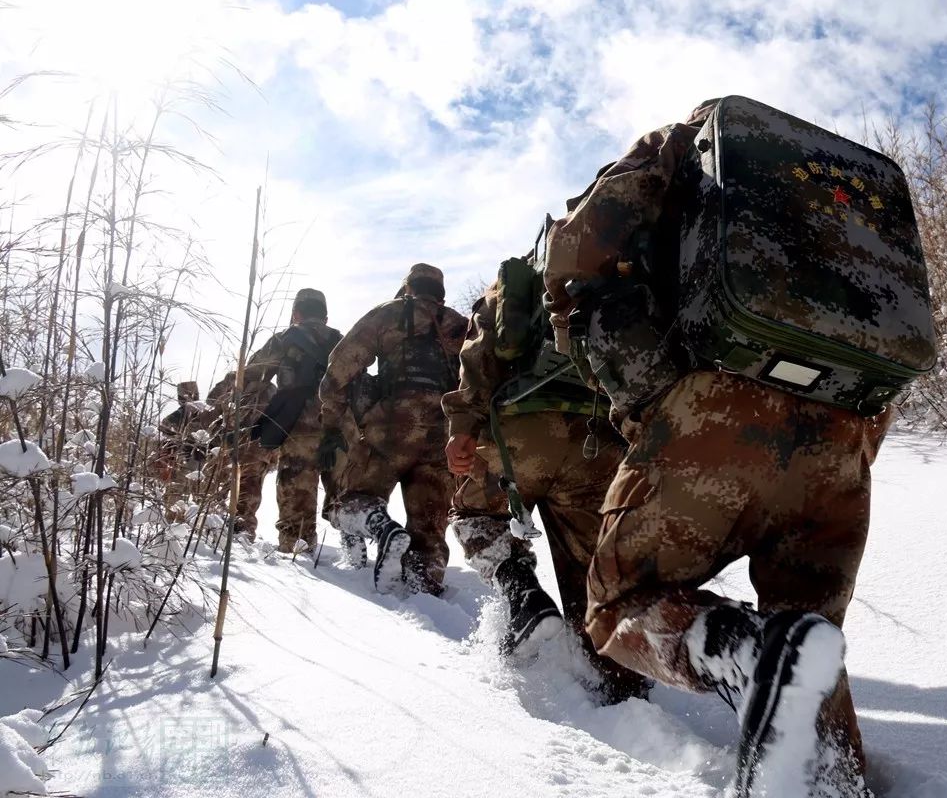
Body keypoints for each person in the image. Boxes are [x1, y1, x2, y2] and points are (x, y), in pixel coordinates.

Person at [543, 100, 891, 795]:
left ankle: (738, 653)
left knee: (617, 606)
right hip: (847, 428)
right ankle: (831, 782)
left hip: (708, 410)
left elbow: (575, 256)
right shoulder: (842, 193)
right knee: (806, 636)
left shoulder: (675, 149)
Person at [442, 276, 648, 703]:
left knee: (477, 515)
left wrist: (462, 429)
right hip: (598, 443)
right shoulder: (618, 284)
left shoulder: (517, 287)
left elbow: (477, 359)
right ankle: (621, 688)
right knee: (591, 569)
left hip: (521, 432)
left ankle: (523, 594)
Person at [319, 264, 468, 595]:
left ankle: (383, 529)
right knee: (429, 529)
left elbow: (343, 362)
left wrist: (332, 416)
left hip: (390, 426)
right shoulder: (460, 326)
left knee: (349, 501)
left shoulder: (391, 312)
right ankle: (424, 592)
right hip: (443, 433)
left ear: (409, 288)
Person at [223, 288, 342, 553]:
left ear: (296, 313)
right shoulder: (340, 340)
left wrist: (232, 393)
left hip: (299, 427)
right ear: (325, 315)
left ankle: (296, 548)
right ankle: (354, 551)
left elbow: (252, 376)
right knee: (345, 493)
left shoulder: (286, 338)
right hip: (341, 428)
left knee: (297, 489)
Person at [204, 376, 278, 540]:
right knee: (247, 491)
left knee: (219, 489)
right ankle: (239, 532)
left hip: (234, 446)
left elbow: (211, 403)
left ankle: (216, 529)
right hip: (255, 448)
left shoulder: (234, 378)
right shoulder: (270, 388)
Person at [156, 380, 208, 522]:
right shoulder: (207, 411)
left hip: (186, 460)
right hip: (203, 462)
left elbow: (163, 427)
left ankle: (175, 526)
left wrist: (177, 439)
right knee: (200, 499)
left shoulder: (184, 411)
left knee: (177, 496)